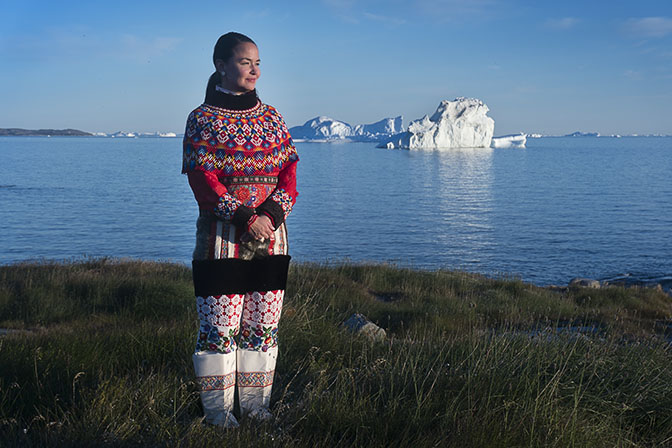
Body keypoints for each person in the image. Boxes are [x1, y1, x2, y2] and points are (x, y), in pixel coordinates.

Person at [181, 32, 299, 428]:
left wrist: (270, 216)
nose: (255, 70)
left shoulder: (272, 117)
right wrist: (248, 218)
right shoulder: (202, 119)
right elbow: (203, 180)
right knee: (219, 329)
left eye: (258, 63)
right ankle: (218, 414)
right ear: (221, 65)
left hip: (273, 239)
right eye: (246, 62)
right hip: (221, 241)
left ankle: (255, 408)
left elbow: (289, 174)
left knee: (263, 327)